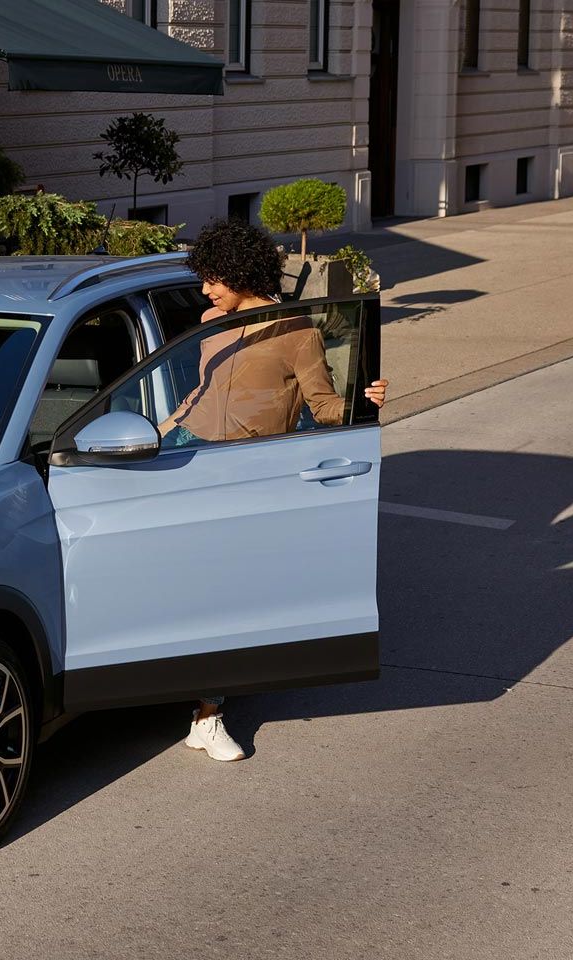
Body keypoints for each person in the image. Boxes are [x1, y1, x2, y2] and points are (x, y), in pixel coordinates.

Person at [158, 218, 389, 761]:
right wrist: (163, 430)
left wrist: (366, 401)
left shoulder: (297, 332)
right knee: (184, 584)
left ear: (241, 272)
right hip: (189, 456)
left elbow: (323, 405)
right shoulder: (210, 321)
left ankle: (208, 714)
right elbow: (202, 389)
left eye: (214, 278)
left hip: (248, 471)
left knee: (225, 592)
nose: (205, 290)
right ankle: (185, 696)